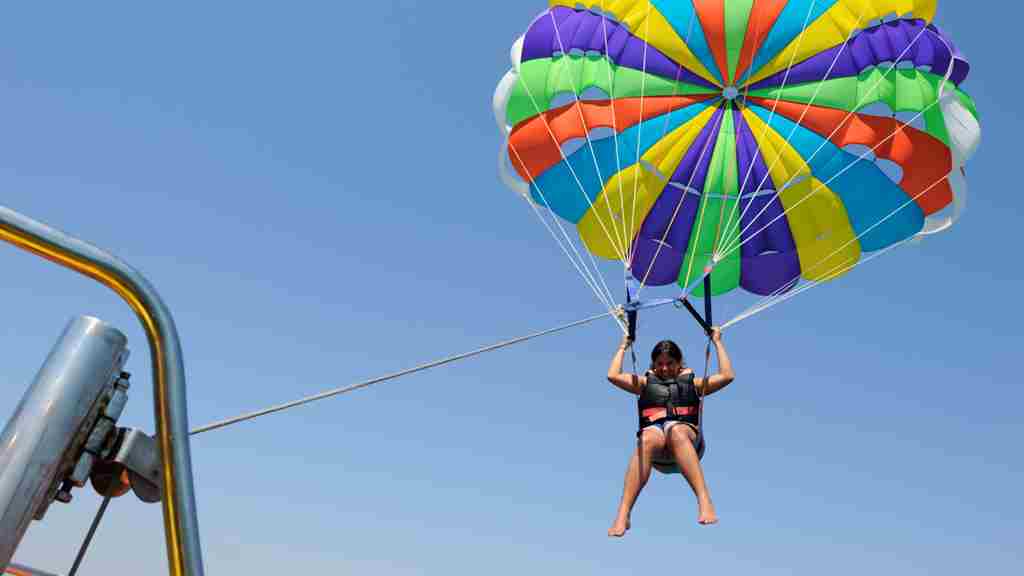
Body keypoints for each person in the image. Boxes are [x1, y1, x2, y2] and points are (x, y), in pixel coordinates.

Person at [606, 325, 734, 536]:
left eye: (670, 363)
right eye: (659, 364)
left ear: (679, 362)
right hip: (657, 452)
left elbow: (727, 376)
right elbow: (613, 375)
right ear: (653, 365)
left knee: (674, 429)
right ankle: (623, 513)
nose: (664, 368)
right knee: (646, 437)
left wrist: (717, 342)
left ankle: (704, 498)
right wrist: (623, 346)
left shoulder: (694, 384)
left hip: (687, 442)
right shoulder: (644, 384)